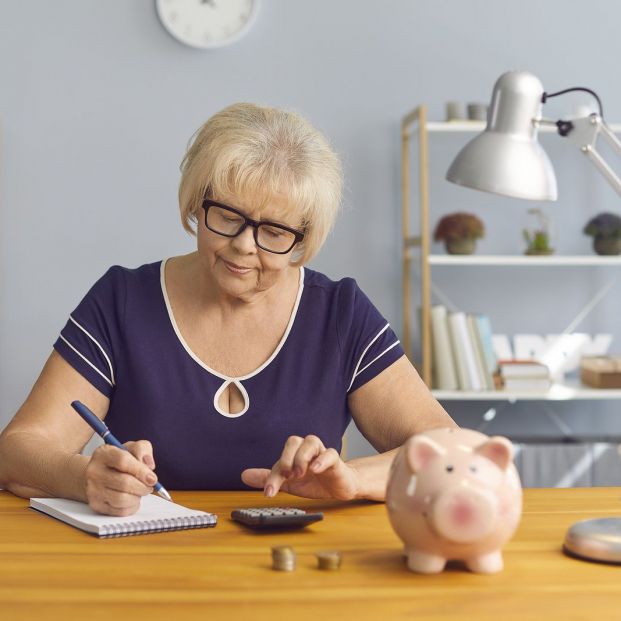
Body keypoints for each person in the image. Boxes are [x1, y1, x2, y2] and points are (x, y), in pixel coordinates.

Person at [0, 103, 455, 516]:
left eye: (274, 231)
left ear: (304, 237)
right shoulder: (123, 300)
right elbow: (16, 451)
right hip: (143, 570)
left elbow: (450, 449)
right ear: (197, 202)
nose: (243, 245)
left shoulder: (340, 313)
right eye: (227, 216)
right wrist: (84, 479)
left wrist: (352, 479)